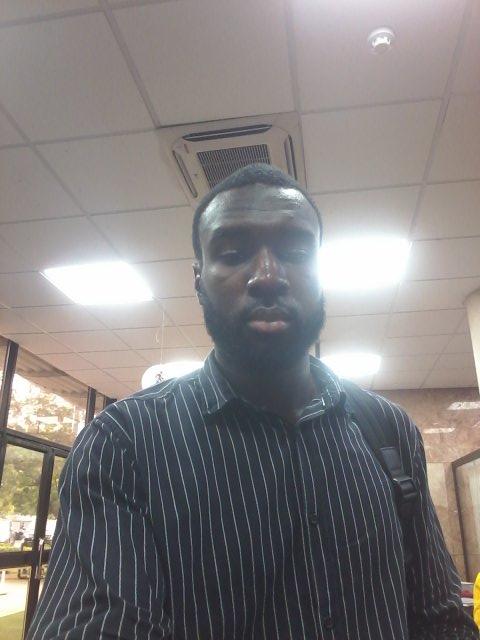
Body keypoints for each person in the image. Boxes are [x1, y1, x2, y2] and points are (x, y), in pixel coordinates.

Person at [27, 164, 478, 639]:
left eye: (296, 251)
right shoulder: (123, 445)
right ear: (198, 279)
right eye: (233, 253)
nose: (267, 275)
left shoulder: (388, 430)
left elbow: (440, 619)